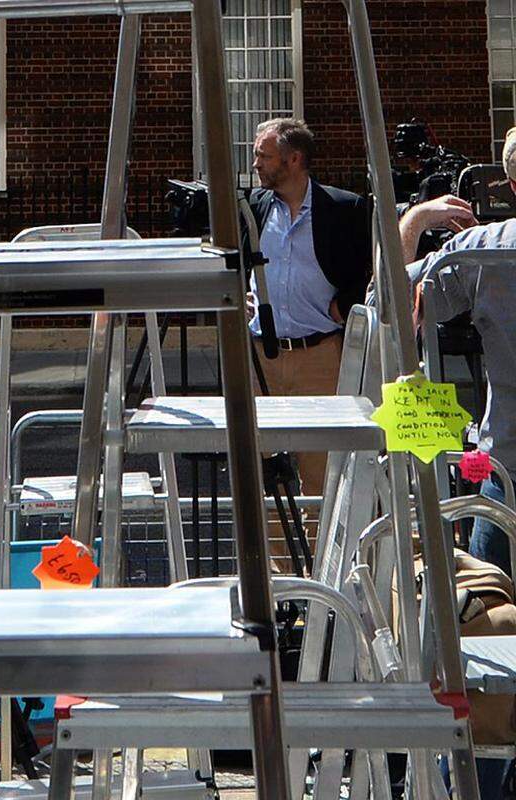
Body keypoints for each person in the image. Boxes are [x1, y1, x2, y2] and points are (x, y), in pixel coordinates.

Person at [400, 126, 516, 800]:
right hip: (502, 468)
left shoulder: (487, 248)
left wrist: (415, 221)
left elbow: (388, 301)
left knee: (485, 637)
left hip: (504, 472)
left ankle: (484, 778)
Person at [244, 118, 373, 504]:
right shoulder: (255, 207)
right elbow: (234, 260)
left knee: (322, 475)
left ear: (294, 159)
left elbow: (371, 267)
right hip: (260, 355)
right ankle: (277, 566)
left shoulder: (345, 208)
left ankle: (321, 564)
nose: (256, 165)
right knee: (266, 478)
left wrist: (346, 300)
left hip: (319, 355)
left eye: (264, 156)